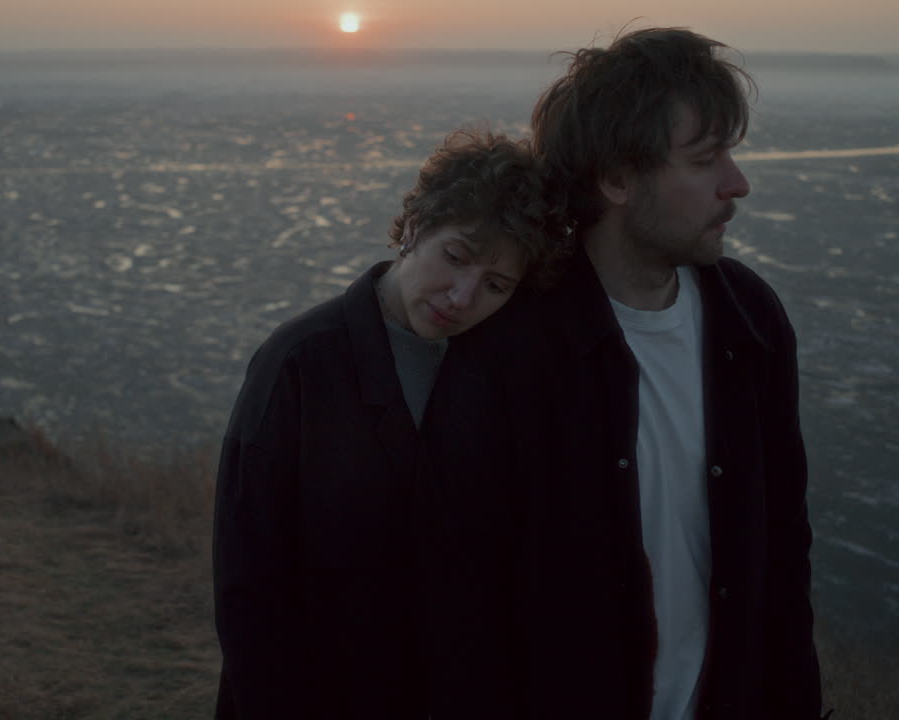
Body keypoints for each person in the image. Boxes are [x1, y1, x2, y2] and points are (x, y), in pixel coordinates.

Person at [476, 26, 824, 719]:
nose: (737, 184)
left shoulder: (750, 322)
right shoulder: (512, 344)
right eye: (703, 160)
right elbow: (470, 596)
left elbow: (784, 555)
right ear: (616, 178)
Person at [212, 129, 564, 719]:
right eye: (456, 257)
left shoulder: (503, 374)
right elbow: (248, 584)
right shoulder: (302, 361)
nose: (461, 295)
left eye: (496, 285)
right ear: (418, 227)